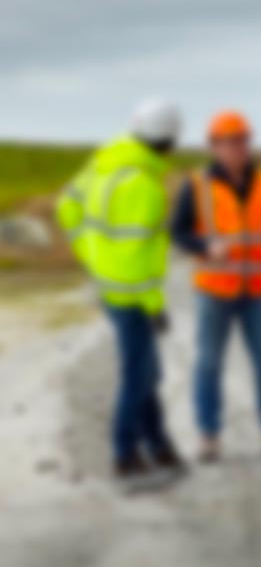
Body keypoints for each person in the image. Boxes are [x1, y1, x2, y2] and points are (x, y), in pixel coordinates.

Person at [56, 98, 186, 491]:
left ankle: (159, 446)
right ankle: (125, 456)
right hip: (132, 299)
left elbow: (67, 208)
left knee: (147, 371)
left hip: (108, 291)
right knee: (139, 375)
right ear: (168, 141)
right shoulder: (145, 186)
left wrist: (91, 256)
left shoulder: (104, 164)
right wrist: (155, 308)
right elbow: (145, 263)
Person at [171, 110, 261, 461]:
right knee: (209, 363)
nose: (237, 148)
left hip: (258, 289)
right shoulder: (198, 187)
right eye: (229, 142)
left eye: (242, 140)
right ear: (214, 146)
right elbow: (179, 232)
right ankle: (208, 437)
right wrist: (204, 247)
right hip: (216, 289)